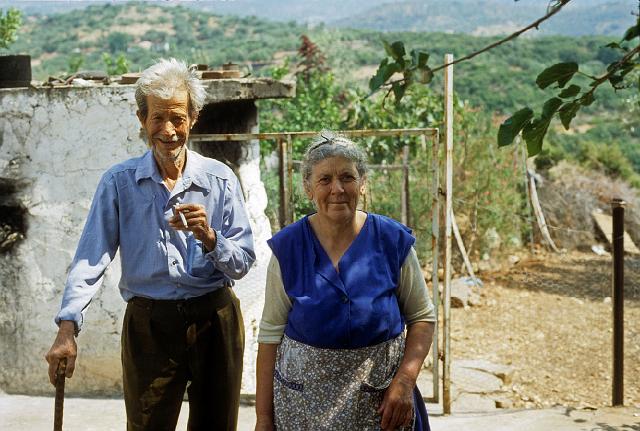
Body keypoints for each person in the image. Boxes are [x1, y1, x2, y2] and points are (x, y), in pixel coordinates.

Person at [45, 58, 255, 431]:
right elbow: (91, 258)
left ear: (193, 118)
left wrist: (210, 238)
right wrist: (67, 329)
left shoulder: (220, 180)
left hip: (214, 319)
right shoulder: (120, 182)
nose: (168, 130)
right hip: (149, 325)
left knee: (217, 425)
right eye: (157, 118)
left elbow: (241, 263)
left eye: (177, 118)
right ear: (142, 120)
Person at [254, 133, 435, 431]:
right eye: (324, 179)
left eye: (347, 177)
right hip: (304, 411)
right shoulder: (288, 249)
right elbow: (270, 335)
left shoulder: (392, 242)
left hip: (381, 407)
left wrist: (405, 381)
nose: (337, 189)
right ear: (308, 188)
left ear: (362, 184)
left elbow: (423, 317)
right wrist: (263, 418)